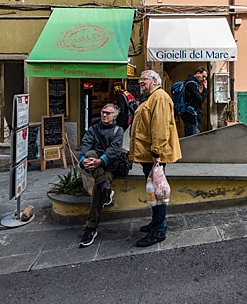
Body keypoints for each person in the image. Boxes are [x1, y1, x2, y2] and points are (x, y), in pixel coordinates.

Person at [129, 69, 181, 247]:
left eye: (143, 79)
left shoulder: (159, 97)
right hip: (149, 154)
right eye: (140, 80)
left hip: (154, 156)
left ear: (154, 80)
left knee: (158, 192)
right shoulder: (152, 97)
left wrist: (156, 152)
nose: (140, 82)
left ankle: (159, 231)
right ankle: (155, 223)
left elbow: (160, 128)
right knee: (154, 191)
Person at [77, 99, 126, 249]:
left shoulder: (119, 130)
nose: (104, 115)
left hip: (110, 167)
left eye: (108, 113)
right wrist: (82, 160)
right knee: (90, 153)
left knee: (97, 189)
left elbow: (114, 150)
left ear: (114, 116)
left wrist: (100, 161)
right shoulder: (93, 129)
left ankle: (91, 228)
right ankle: (106, 187)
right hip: (95, 166)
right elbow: (85, 145)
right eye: (103, 112)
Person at [182, 66, 208, 135]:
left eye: (205, 77)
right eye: (203, 76)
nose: (204, 79)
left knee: (189, 136)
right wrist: (205, 89)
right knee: (192, 138)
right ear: (198, 73)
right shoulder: (191, 84)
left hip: (189, 113)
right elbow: (200, 100)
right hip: (191, 115)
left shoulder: (191, 83)